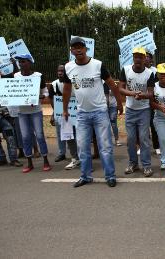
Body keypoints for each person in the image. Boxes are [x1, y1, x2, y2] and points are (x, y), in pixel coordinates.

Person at [62, 37, 123, 188]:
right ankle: (85, 176)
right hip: (82, 114)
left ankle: (110, 176)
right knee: (82, 147)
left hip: (100, 112)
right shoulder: (68, 67)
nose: (78, 50)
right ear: (71, 50)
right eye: (75, 47)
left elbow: (112, 85)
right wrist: (64, 110)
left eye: (80, 47)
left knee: (106, 147)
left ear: (86, 48)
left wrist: (120, 104)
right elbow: (67, 89)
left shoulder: (98, 65)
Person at [119, 47, 154, 176]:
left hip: (144, 110)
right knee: (131, 139)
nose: (138, 59)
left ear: (145, 59)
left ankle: (146, 165)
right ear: (133, 58)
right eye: (136, 56)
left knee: (144, 138)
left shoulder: (150, 73)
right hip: (130, 109)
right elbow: (120, 88)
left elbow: (151, 93)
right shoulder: (126, 70)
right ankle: (133, 163)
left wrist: (142, 96)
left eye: (141, 57)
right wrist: (132, 93)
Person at [14, 54, 51, 173]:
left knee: (39, 135)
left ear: (30, 63)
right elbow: (12, 90)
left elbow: (45, 92)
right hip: (22, 112)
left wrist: (40, 96)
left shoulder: (38, 76)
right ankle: (29, 162)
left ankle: (45, 160)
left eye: (23, 62)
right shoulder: (16, 76)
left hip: (35, 111)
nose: (21, 64)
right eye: (19, 62)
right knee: (25, 137)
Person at [49, 64, 80, 170]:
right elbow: (52, 99)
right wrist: (54, 113)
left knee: (80, 137)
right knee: (68, 137)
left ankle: (84, 159)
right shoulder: (54, 84)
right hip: (64, 115)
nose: (60, 73)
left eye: (62, 71)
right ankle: (75, 158)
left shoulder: (75, 83)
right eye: (58, 71)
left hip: (77, 114)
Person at [145, 49, 160, 156]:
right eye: (143, 56)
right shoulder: (137, 69)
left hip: (152, 102)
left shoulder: (155, 71)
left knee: (153, 125)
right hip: (140, 101)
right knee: (143, 126)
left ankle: (157, 146)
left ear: (151, 59)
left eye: (148, 56)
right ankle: (143, 147)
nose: (145, 58)